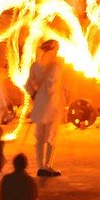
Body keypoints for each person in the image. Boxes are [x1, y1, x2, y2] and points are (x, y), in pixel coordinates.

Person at [24, 40, 67, 177]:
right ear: (52, 49)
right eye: (57, 49)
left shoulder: (35, 66)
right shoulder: (56, 66)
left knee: (39, 138)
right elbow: (52, 88)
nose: (57, 52)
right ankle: (48, 166)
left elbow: (28, 84)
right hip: (52, 106)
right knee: (51, 136)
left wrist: (35, 95)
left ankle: (39, 166)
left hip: (38, 105)